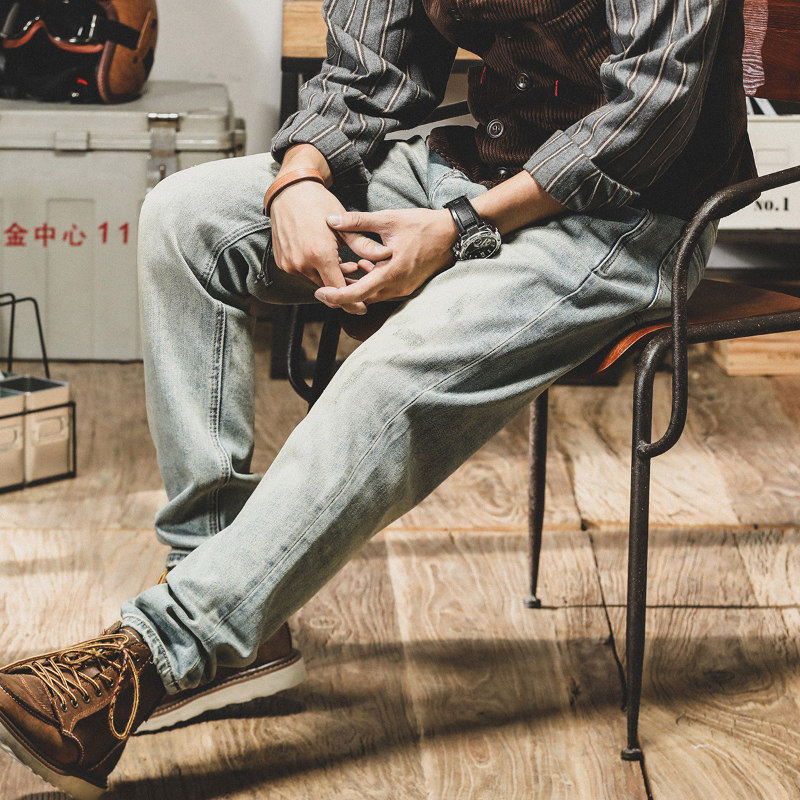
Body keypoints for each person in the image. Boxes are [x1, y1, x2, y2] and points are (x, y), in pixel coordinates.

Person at [0, 0, 755, 797]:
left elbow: (651, 108)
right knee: (185, 220)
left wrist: (457, 227)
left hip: (625, 217)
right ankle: (227, 604)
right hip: (472, 170)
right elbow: (369, 68)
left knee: (391, 370)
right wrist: (299, 177)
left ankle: (164, 652)